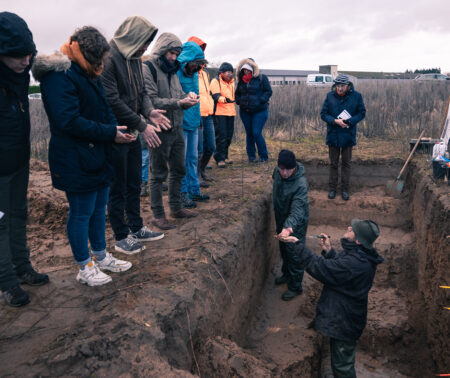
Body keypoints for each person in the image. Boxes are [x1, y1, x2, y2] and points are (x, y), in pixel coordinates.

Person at [34, 26, 135, 286]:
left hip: (97, 153)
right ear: (83, 53)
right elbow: (67, 120)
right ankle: (84, 265)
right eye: (97, 60)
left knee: (98, 209)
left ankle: (101, 257)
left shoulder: (90, 73)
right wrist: (108, 132)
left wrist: (118, 130)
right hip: (74, 157)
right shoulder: (59, 76)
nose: (101, 65)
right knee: (81, 212)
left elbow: (104, 109)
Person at [277, 219, 383, 377]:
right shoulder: (359, 254)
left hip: (345, 322)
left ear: (359, 241)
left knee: (342, 367)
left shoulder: (356, 263)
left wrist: (297, 244)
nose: (349, 227)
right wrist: (329, 251)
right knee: (341, 362)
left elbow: (321, 269)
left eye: (353, 229)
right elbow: (341, 270)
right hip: (346, 316)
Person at [101, 16, 168, 254]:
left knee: (133, 182)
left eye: (148, 42)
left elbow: (141, 93)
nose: (146, 47)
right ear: (132, 37)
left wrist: (149, 112)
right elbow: (112, 100)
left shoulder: (136, 59)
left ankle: (136, 227)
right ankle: (121, 236)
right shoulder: (109, 58)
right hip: (116, 132)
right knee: (117, 185)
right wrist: (141, 124)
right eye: (144, 41)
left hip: (132, 131)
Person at [0, 12, 49, 306]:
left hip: (19, 160)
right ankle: (6, 283)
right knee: (1, 222)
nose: (25, 62)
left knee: (19, 214)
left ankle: (23, 268)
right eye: (18, 56)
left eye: (28, 55)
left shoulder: (19, 75)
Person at [143, 33, 199, 230]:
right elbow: (150, 100)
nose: (174, 58)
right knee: (157, 173)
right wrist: (179, 103)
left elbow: (178, 96)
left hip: (176, 127)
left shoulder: (174, 71)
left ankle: (176, 207)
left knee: (179, 169)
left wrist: (188, 97)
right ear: (162, 50)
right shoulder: (148, 68)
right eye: (171, 53)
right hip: (158, 129)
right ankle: (158, 215)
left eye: (177, 54)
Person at [320, 73, 366, 201]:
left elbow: (362, 113)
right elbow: (323, 114)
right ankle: (332, 189)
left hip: (347, 135)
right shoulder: (329, 96)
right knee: (333, 163)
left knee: (346, 163)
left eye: (343, 86)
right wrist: (334, 121)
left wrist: (350, 121)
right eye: (338, 86)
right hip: (333, 135)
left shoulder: (356, 96)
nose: (340, 88)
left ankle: (345, 189)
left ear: (348, 86)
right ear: (335, 85)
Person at [273, 150, 309, 300]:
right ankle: (286, 275)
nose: (285, 172)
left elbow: (298, 209)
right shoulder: (277, 172)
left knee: (294, 255)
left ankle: (295, 287)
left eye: (288, 169)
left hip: (295, 224)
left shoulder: (301, 184)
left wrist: (288, 227)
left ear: (294, 168)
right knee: (284, 250)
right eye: (282, 169)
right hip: (281, 218)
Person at [177, 41, 210, 206]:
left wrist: (198, 121)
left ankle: (194, 191)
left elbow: (198, 97)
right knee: (181, 160)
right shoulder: (177, 72)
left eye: (199, 65)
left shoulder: (196, 74)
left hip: (194, 122)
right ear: (187, 61)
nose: (197, 68)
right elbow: (175, 96)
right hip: (182, 122)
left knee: (192, 157)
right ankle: (183, 194)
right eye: (195, 65)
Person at [187, 36, 215, 185]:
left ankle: (202, 170)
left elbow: (207, 93)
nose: (202, 52)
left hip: (208, 114)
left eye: (203, 50)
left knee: (211, 147)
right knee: (197, 150)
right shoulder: (189, 70)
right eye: (199, 49)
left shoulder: (205, 73)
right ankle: (196, 175)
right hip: (196, 114)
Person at [235, 58, 272, 163]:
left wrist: (261, 100)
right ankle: (251, 156)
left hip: (260, 111)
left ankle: (263, 156)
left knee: (256, 132)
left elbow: (268, 91)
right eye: (244, 70)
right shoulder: (241, 80)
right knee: (249, 133)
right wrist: (239, 101)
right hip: (245, 112)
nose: (245, 71)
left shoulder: (261, 78)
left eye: (247, 69)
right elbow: (237, 94)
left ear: (252, 69)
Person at [210, 62, 236, 168]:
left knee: (229, 136)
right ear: (222, 73)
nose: (229, 74)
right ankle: (219, 158)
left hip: (231, 112)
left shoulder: (233, 83)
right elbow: (216, 96)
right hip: (219, 113)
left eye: (231, 72)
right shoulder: (215, 81)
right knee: (221, 136)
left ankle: (225, 156)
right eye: (227, 72)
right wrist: (225, 100)